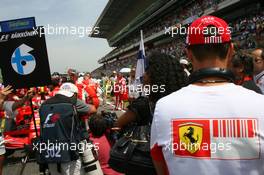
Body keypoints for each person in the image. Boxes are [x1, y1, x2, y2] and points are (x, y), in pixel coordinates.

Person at [150, 16, 264, 175]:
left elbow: (162, 169)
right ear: (231, 50)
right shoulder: (260, 104)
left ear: (188, 54)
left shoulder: (163, 107)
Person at [39, 83, 96, 175]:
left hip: (49, 151)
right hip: (69, 151)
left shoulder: (44, 104)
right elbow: (93, 109)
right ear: (74, 94)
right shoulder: (73, 101)